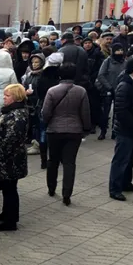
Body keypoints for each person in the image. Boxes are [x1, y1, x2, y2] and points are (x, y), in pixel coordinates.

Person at [41, 63, 92, 206]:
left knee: (53, 160)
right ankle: (67, 194)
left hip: (54, 130)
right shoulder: (81, 91)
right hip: (74, 131)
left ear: (59, 75)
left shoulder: (52, 91)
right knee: (69, 163)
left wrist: (47, 122)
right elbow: (85, 112)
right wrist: (86, 128)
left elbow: (45, 112)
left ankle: (51, 188)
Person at [0, 84, 29, 231]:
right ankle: (6, 213)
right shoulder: (10, 111)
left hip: (11, 159)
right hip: (6, 157)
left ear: (16, 97)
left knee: (10, 188)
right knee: (7, 188)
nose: (4, 98)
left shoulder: (17, 114)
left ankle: (11, 221)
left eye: (7, 95)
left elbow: (11, 138)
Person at [95, 43, 126, 139]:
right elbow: (101, 75)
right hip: (108, 90)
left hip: (120, 90)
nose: (120, 52)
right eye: (118, 50)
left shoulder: (125, 62)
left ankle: (115, 131)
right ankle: (103, 131)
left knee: (118, 112)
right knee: (106, 112)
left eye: (121, 50)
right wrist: (109, 87)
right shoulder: (107, 61)